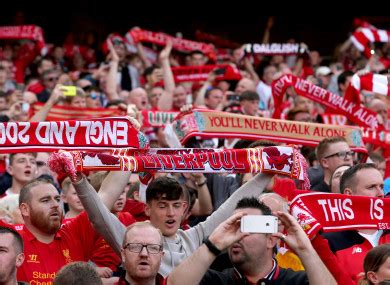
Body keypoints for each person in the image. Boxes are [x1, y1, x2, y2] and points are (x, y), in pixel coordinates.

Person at [70, 168, 273, 277]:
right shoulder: (132, 239)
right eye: (162, 205)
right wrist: (78, 179)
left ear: (185, 209)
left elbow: (228, 208)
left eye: (176, 205)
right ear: (147, 208)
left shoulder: (194, 235)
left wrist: (268, 173)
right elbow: (99, 216)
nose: (170, 213)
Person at [166, 197, 336, 285]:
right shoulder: (215, 280)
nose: (237, 235)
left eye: (247, 226)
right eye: (234, 226)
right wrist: (213, 243)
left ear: (270, 240)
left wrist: (305, 250)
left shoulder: (297, 281)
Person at [0, 178, 102, 284]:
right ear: (25, 209)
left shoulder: (75, 232)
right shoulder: (8, 236)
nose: (55, 205)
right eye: (45, 200)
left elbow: (106, 196)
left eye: (57, 199)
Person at [322, 163, 388, 283]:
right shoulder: (330, 242)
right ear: (349, 195)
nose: (380, 194)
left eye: (381, 186)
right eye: (371, 187)